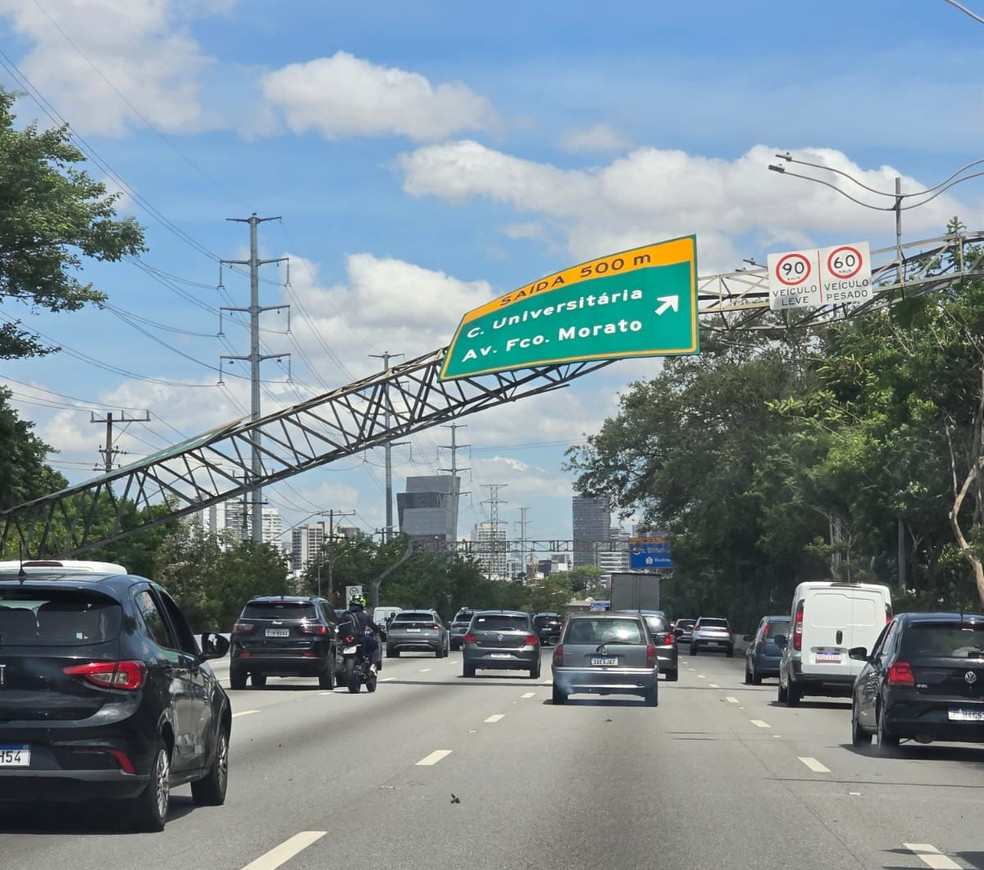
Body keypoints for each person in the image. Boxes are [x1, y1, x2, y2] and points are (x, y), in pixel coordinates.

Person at [340, 594, 383, 674]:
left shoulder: (344, 615)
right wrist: (380, 631)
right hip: (360, 638)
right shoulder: (364, 616)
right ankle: (373, 665)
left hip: (346, 640)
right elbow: (374, 627)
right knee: (375, 645)